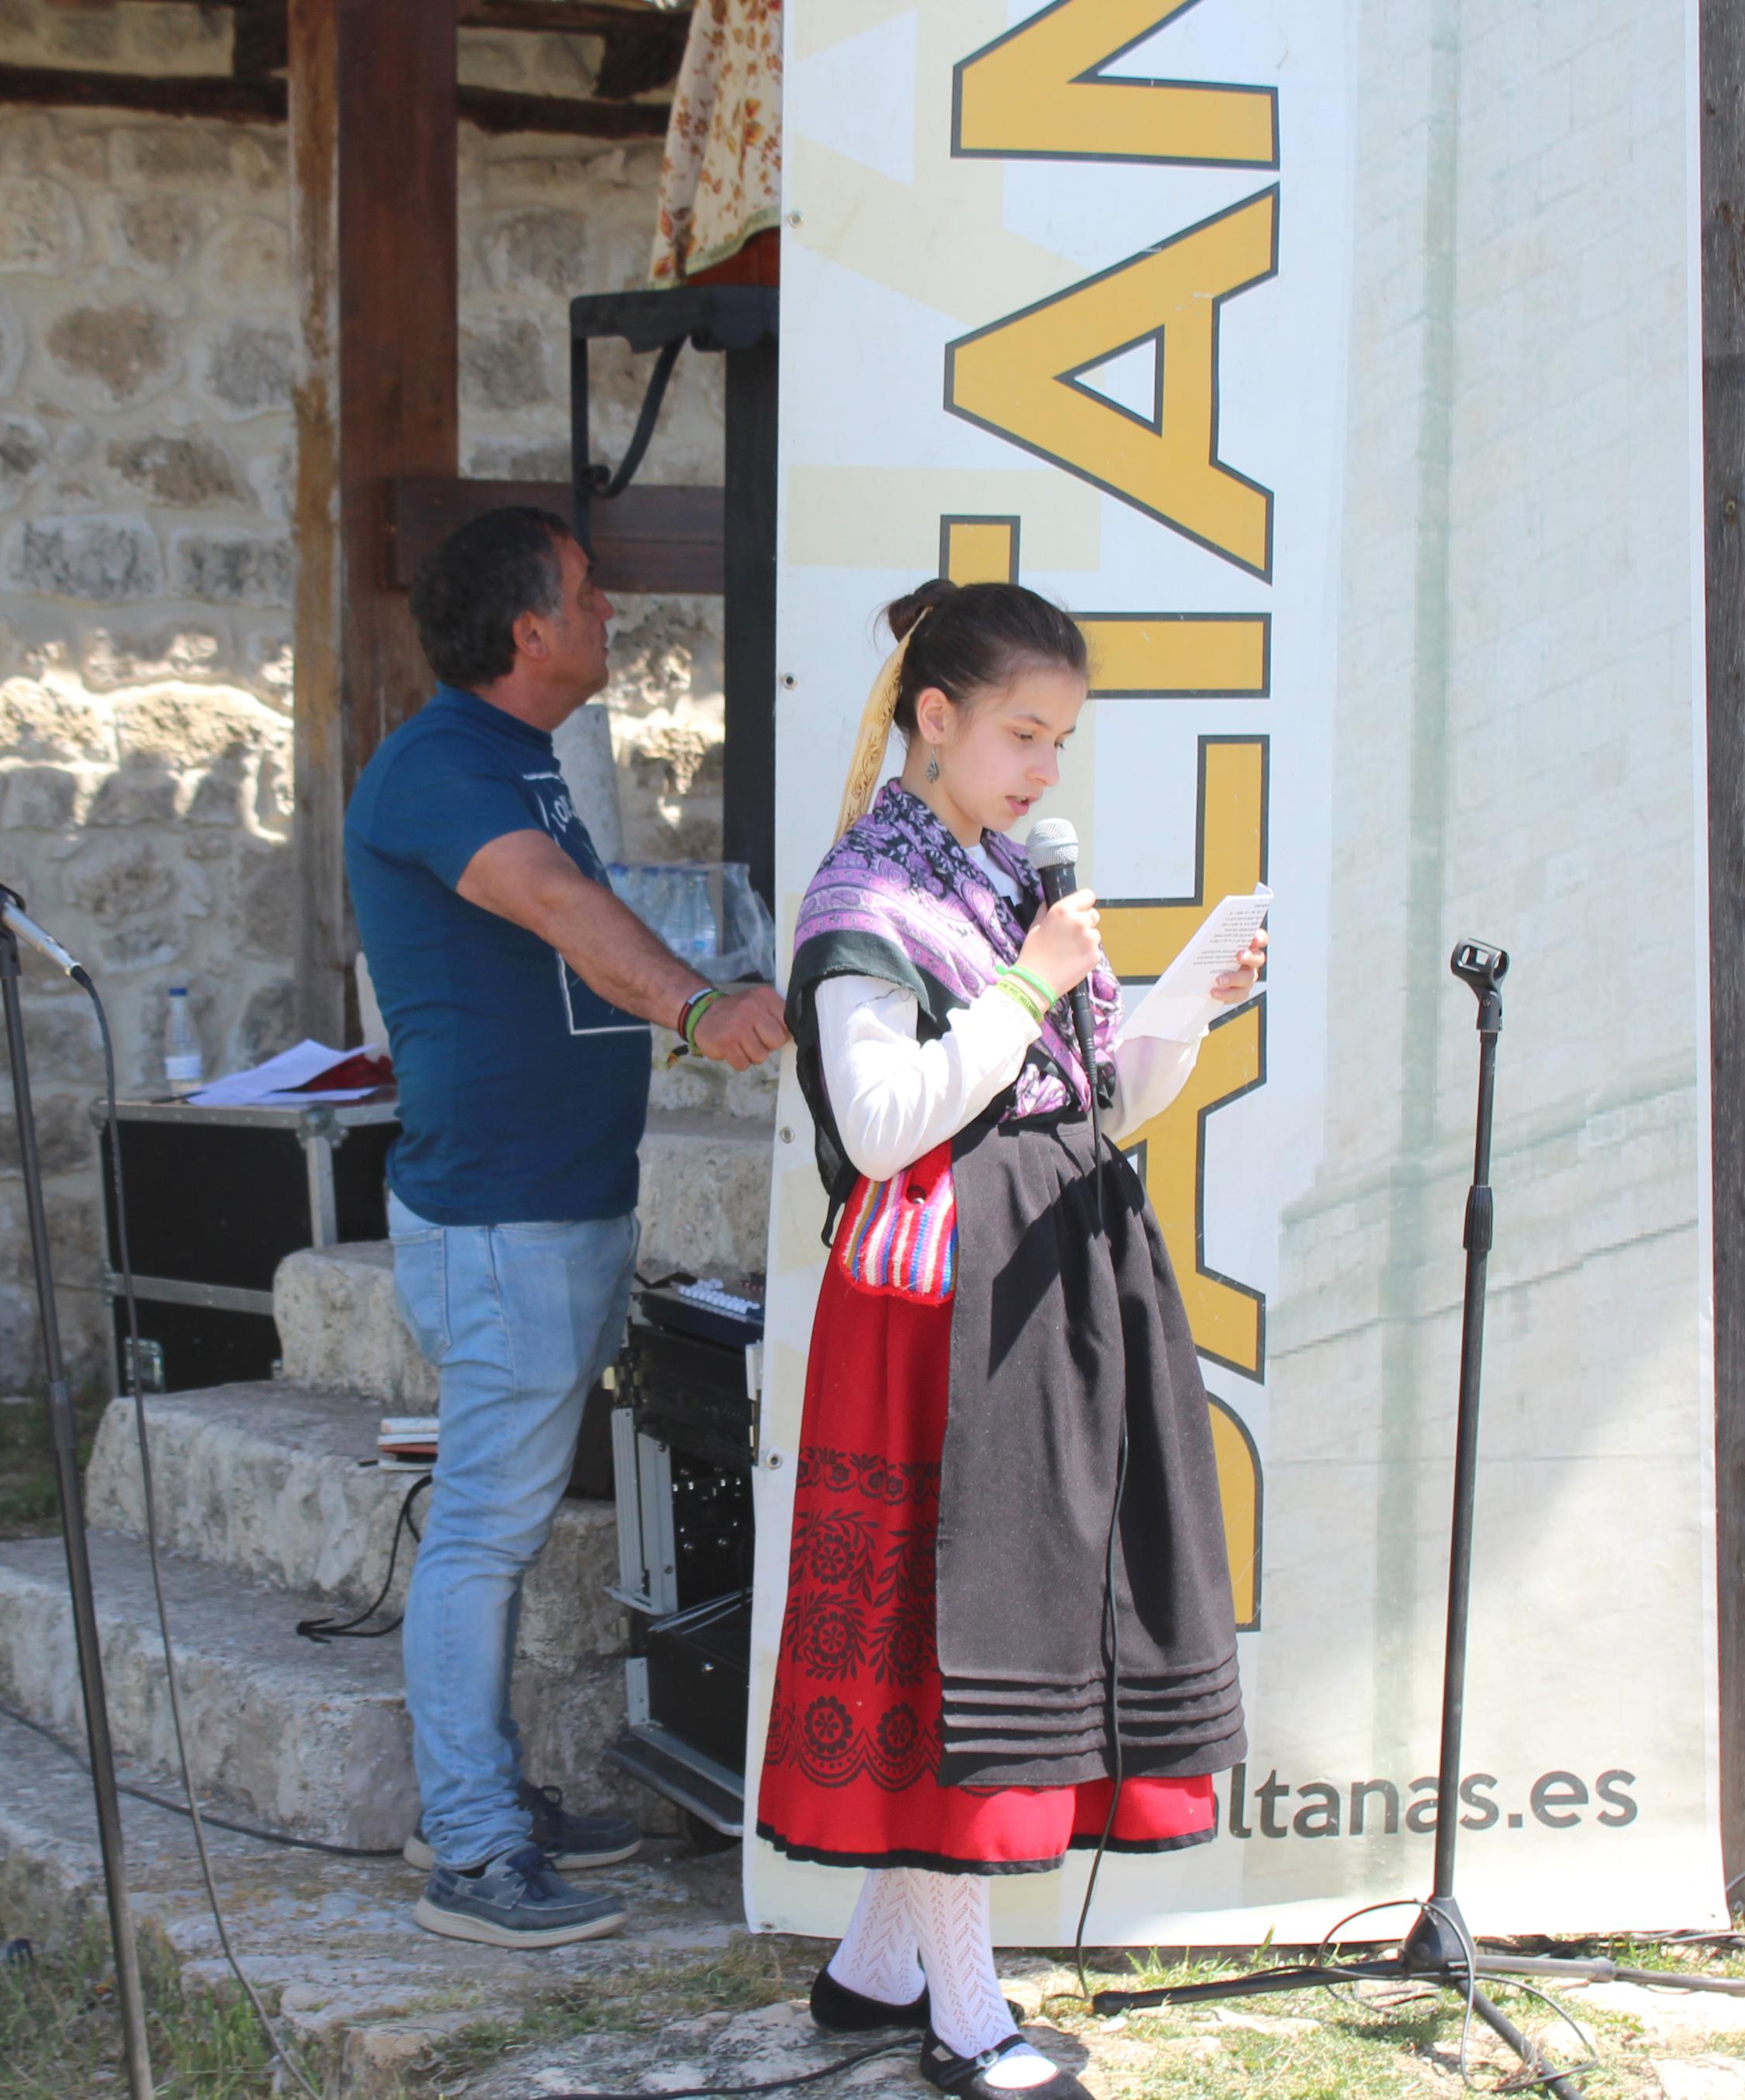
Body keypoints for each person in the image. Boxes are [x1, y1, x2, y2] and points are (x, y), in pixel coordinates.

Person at [762, 581, 1263, 2100]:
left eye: (1061, 739)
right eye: (1021, 734)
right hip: (937, 1313)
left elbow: (1094, 1097)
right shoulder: (869, 902)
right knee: (955, 1627)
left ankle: (869, 1967)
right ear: (934, 718)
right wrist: (1036, 978)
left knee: (994, 1612)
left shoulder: (992, 885)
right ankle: (962, 2013)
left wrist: (1173, 1001)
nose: (1044, 770)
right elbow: (883, 1116)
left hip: (1034, 1283)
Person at [345, 505, 790, 1950]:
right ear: (528, 631)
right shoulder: (438, 769)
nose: (613, 617)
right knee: (481, 1533)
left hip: (557, 1202)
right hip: (502, 1219)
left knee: (505, 1526)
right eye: (591, 598)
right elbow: (547, 904)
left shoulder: (514, 758)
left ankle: (479, 1800)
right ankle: (471, 1851)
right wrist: (699, 1006)